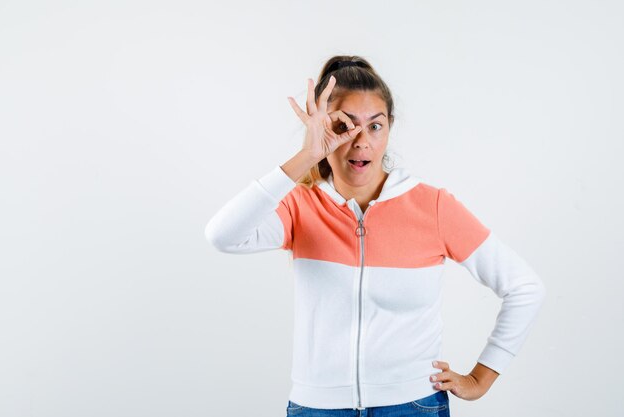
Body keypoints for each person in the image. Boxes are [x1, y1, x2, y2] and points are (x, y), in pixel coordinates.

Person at [204, 55, 546, 417]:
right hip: (318, 407)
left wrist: (480, 378)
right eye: (344, 126)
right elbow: (222, 235)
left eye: (375, 126)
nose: (360, 141)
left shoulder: (432, 206)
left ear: (390, 128)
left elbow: (524, 288)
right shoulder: (300, 206)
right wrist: (306, 155)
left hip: (413, 405)